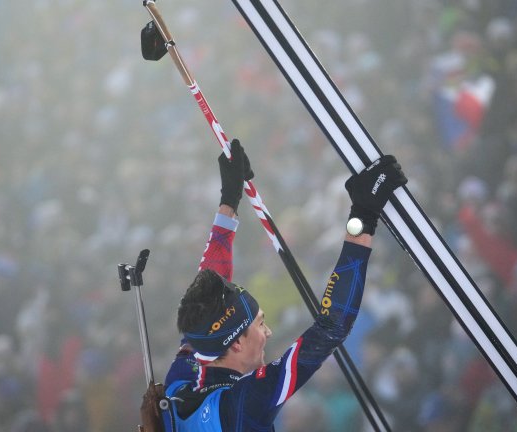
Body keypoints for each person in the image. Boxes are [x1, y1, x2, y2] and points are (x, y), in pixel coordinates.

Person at [153, 139, 406, 431]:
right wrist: (363, 217)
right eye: (260, 324)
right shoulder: (244, 403)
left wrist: (230, 198)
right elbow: (331, 326)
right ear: (236, 343)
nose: (269, 332)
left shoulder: (180, 386)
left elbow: (207, 285)